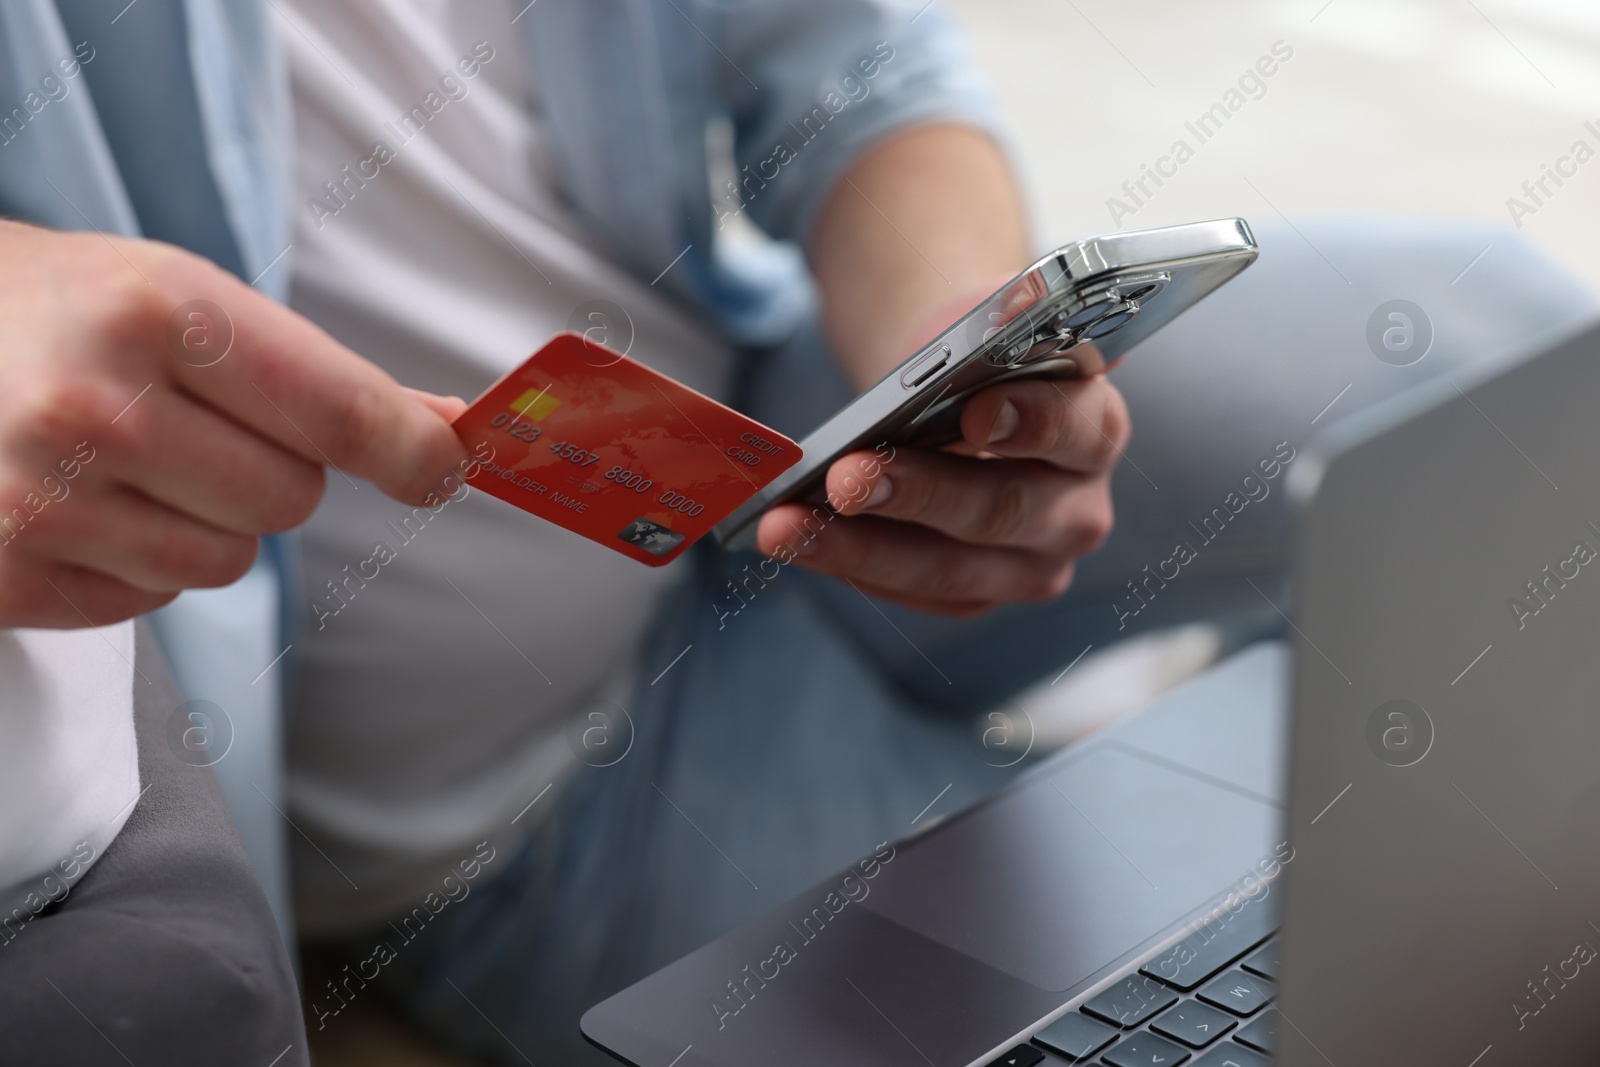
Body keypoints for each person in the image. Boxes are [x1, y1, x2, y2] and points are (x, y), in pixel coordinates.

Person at [0, 2, 1593, 1065]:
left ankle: (1077, 695)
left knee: (1508, 361)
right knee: (1231, 983)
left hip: (788, 432)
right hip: (525, 812)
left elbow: (860, 57)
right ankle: (1077, 730)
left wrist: (961, 355)